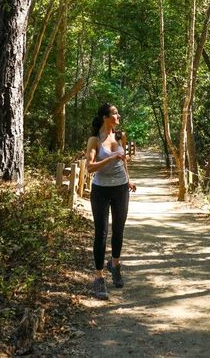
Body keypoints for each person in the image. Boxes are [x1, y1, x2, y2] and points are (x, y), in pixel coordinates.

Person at [86, 102, 137, 299]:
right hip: (100, 190)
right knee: (101, 232)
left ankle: (115, 264)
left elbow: (123, 160)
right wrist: (111, 157)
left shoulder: (119, 136)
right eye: (115, 113)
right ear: (105, 117)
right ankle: (99, 278)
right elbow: (90, 167)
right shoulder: (94, 140)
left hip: (121, 189)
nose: (118, 116)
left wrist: (128, 179)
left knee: (119, 229)